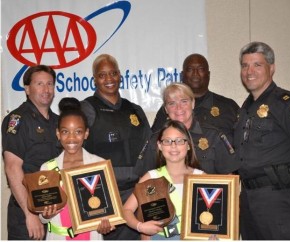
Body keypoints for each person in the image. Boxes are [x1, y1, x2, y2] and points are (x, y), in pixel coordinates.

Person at [81, 54, 152, 240]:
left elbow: (150, 149)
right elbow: (75, 152)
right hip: (104, 194)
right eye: (102, 75)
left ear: (120, 75)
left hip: (135, 194)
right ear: (94, 79)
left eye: (113, 73)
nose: (109, 79)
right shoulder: (86, 109)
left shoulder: (135, 109)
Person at [233, 41, 290, 240]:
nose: (249, 71)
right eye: (245, 66)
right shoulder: (244, 109)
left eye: (257, 65)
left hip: (279, 199)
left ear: (272, 68)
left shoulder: (287, 103)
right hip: (249, 200)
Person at [39, 97, 115, 240]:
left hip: (91, 236)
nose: (71, 138)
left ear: (86, 134)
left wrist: (107, 223)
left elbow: (109, 212)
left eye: (78, 132)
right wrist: (45, 215)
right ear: (58, 134)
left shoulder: (99, 164)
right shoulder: (47, 168)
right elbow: (42, 216)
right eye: (65, 132)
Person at [1, 65, 61, 240]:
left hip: (55, 212)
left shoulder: (58, 122)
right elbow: (12, 167)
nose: (46, 89)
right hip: (26, 214)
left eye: (50, 84)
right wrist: (30, 214)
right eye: (39, 84)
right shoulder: (18, 120)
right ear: (27, 89)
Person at [123, 120, 204, 240]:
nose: (173, 146)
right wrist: (140, 227)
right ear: (160, 146)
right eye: (167, 141)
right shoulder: (151, 177)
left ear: (188, 145)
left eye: (179, 140)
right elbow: (126, 210)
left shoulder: (201, 177)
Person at [138, 83, 239, 175]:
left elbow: (228, 178)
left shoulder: (214, 137)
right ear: (165, 109)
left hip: (206, 194)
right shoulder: (155, 140)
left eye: (184, 101)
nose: (178, 108)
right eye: (172, 103)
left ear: (193, 103)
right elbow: (145, 181)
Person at [151, 53, 239, 139]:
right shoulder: (170, 110)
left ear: (208, 74)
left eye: (200, 69)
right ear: (182, 75)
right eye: (190, 69)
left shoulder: (228, 106)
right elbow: (154, 142)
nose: (195, 74)